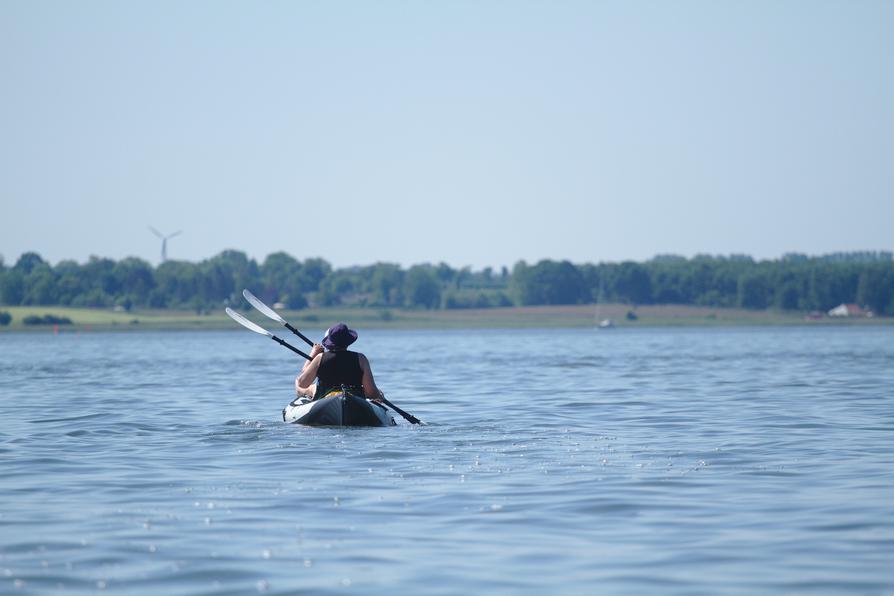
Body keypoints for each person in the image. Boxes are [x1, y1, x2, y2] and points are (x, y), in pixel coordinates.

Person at [295, 323, 385, 401]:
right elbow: (371, 392)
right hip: (355, 398)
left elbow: (302, 383)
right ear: (348, 341)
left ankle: (305, 392)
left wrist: (313, 353)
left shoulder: (320, 358)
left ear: (330, 341)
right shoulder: (361, 359)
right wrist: (379, 395)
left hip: (324, 397)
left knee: (308, 387)